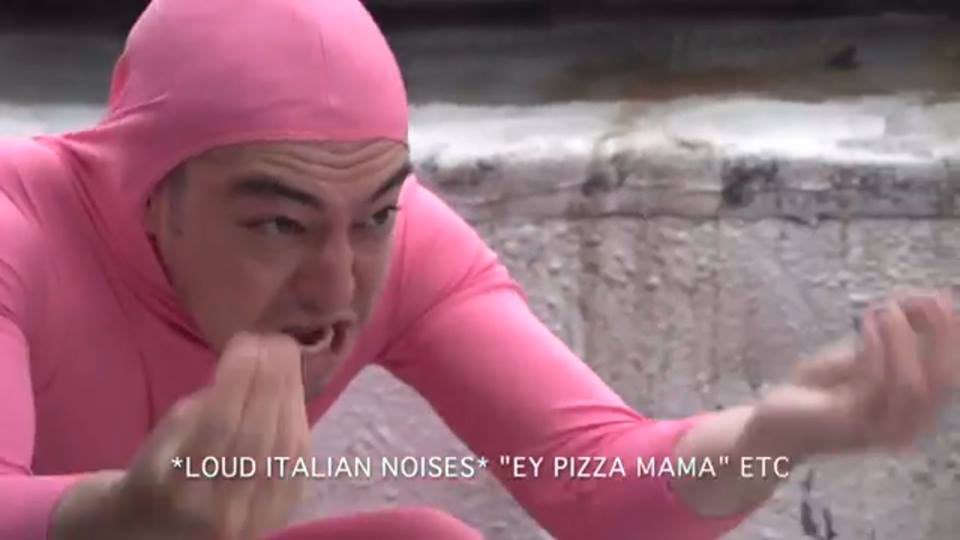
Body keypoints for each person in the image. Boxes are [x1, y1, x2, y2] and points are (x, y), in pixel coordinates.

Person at [0, 1, 956, 539]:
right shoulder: (17, 227)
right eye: (278, 224)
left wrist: (777, 433)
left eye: (374, 215)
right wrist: (121, 518)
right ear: (150, 195)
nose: (337, 289)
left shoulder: (404, 246)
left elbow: (590, 481)